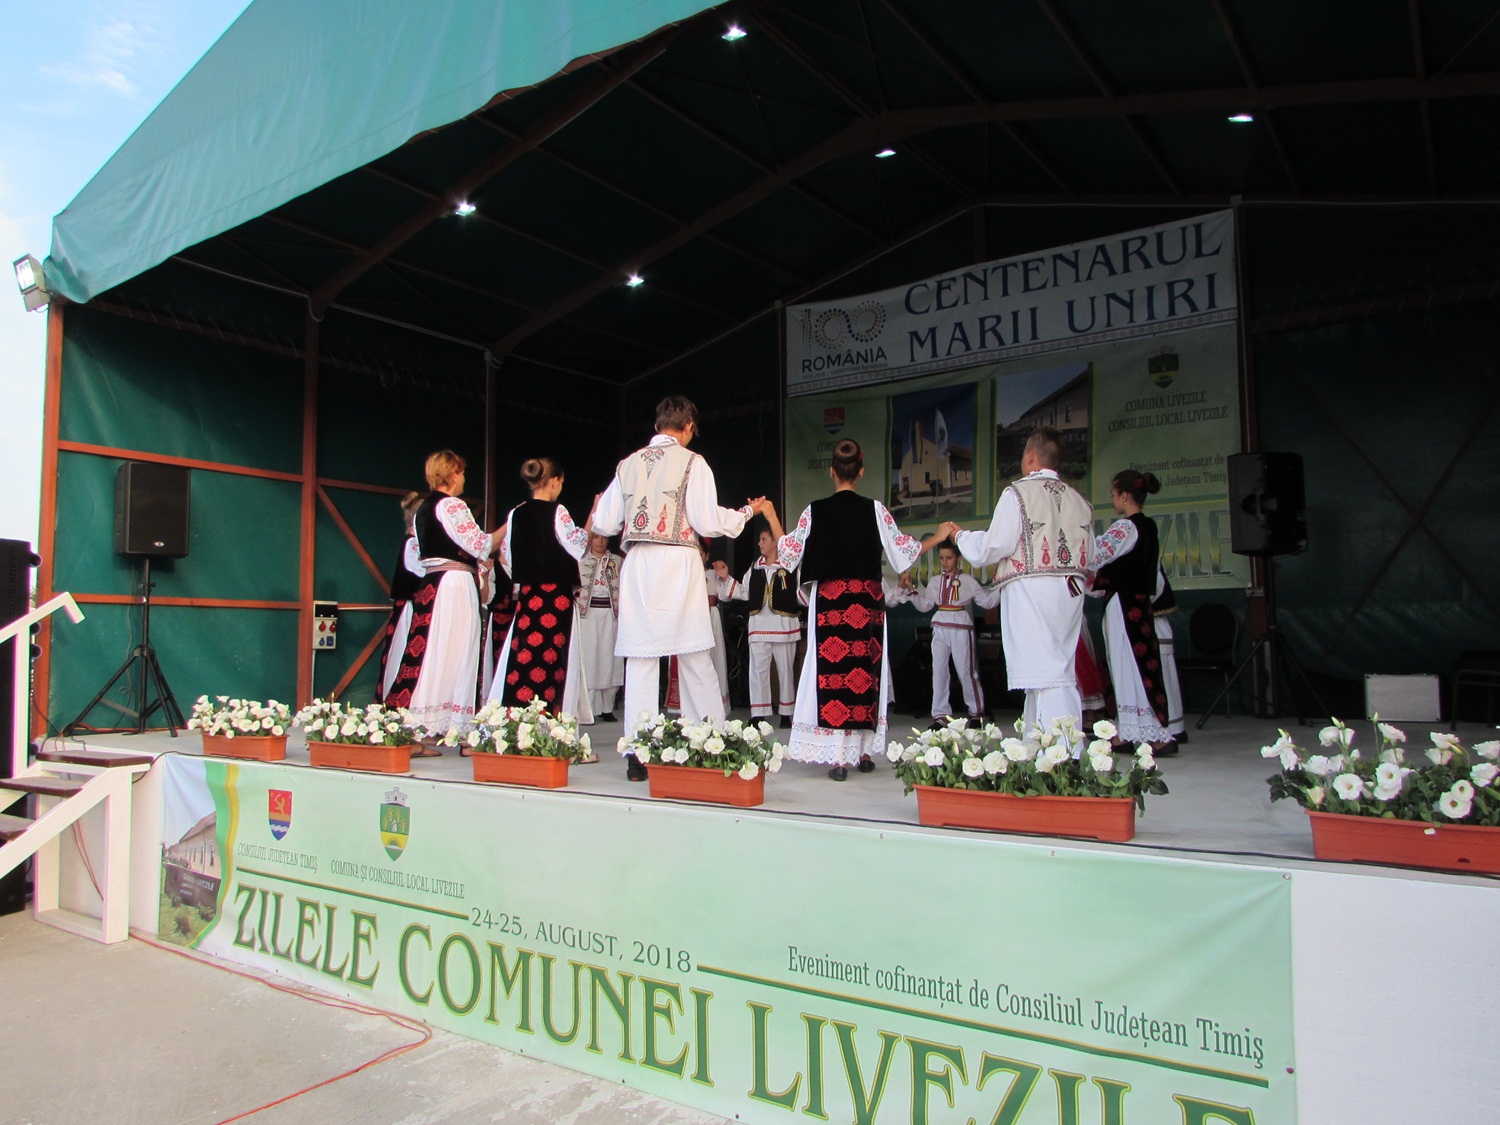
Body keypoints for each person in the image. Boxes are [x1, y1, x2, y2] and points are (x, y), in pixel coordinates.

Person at [588, 395, 769, 780]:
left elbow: (603, 522)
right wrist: (745, 513)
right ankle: (708, 742)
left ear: (658, 426)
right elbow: (706, 521)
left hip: (639, 563)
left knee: (641, 659)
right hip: (678, 562)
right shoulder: (693, 462)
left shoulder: (627, 464)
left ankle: (637, 755)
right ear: (688, 426)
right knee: (693, 654)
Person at [774, 439, 943, 781]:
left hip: (830, 599)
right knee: (866, 671)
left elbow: (788, 554)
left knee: (833, 672)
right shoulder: (875, 509)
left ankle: (839, 758)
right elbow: (903, 552)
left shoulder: (814, 510)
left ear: (831, 471)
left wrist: (769, 515)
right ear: (861, 472)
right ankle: (864, 752)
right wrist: (938, 537)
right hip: (866, 601)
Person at [939, 427, 1093, 733]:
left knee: (1047, 673)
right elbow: (1093, 553)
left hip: (1032, 590)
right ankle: (1038, 743)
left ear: (1031, 457)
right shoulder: (1079, 500)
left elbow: (992, 547)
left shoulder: (1018, 493)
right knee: (1054, 667)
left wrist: (961, 537)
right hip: (1071, 591)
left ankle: (1063, 749)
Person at [387, 451, 504, 750]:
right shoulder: (452, 505)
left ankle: (426, 725)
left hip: (435, 583)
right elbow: (480, 545)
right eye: (461, 472)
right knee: (457, 651)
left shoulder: (424, 509)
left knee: (433, 652)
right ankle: (452, 728)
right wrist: (509, 525)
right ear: (452, 474)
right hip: (453, 584)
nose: (464, 478)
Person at [489, 457, 591, 720]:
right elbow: (578, 546)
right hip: (554, 598)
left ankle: (518, 716)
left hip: (527, 594)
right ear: (554, 481)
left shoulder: (515, 513)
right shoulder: (557, 511)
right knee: (552, 657)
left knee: (524, 652)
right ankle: (550, 719)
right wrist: (592, 517)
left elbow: (508, 557)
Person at [1087, 469, 1174, 750]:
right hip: (1139, 604)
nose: (1113, 500)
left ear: (1125, 496)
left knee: (1126, 662)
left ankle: (1144, 731)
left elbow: (1095, 555)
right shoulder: (1149, 527)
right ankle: (1135, 729)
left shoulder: (1125, 528)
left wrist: (1080, 531)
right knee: (1139, 663)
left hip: (1123, 604)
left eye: (1114, 495)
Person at [900, 541, 1000, 722]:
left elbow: (987, 602)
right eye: (941, 558)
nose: (944, 562)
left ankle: (976, 712)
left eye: (949, 558)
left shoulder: (968, 581)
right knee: (939, 671)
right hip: (940, 627)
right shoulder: (935, 581)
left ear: (958, 558)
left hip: (961, 627)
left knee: (966, 671)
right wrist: (911, 589)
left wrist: (1002, 586)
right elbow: (925, 606)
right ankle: (940, 714)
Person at [714, 526, 802, 727]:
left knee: (785, 671)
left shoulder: (790, 566)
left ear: (775, 543)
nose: (759, 543)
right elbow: (744, 592)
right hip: (759, 626)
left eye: (763, 539)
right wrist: (726, 577)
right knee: (758, 671)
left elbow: (800, 593)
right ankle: (758, 713)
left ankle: (786, 714)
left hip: (784, 626)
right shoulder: (755, 567)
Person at [667, 538, 732, 716]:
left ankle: (713, 709)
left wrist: (724, 576)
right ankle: (686, 709)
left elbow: (726, 596)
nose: (697, 557)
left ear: (707, 556)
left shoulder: (712, 574)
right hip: (687, 621)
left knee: (713, 660)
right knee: (689, 661)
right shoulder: (680, 574)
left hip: (710, 620)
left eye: (700, 553)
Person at [375, 491, 424, 703]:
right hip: (409, 608)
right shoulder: (413, 544)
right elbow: (422, 572)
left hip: (416, 608)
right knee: (402, 652)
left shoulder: (417, 544)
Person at [576, 532, 623, 721]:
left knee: (609, 657)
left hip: (610, 614)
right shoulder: (581, 560)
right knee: (590, 657)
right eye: (596, 537)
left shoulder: (616, 561)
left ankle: (607, 707)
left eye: (604, 537)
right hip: (587, 614)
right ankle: (590, 707)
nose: (600, 541)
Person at [1153, 563, 1187, 745]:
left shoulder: (1151, 563)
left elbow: (1153, 592)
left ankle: (1172, 728)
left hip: (1154, 625)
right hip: (1149, 626)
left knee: (1165, 679)